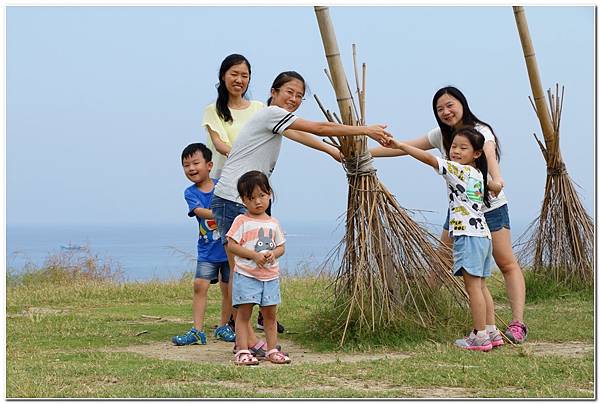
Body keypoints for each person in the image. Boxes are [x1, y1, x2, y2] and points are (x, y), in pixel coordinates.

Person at [210, 70, 391, 358]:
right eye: (288, 92)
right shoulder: (270, 113)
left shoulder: (276, 120)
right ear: (274, 91)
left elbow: (299, 134)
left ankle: (248, 338)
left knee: (246, 268)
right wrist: (365, 130)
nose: (293, 99)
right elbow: (317, 127)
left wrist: (329, 152)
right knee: (242, 270)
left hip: (244, 197)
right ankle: (243, 341)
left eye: (299, 96)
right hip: (236, 197)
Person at [371, 86, 528, 344]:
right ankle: (424, 312)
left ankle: (516, 324)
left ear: (462, 104)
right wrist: (363, 154)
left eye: (450, 105)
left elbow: (488, 156)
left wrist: (497, 179)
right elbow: (404, 148)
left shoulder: (480, 132)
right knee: (442, 263)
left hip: (490, 207)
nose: (445, 111)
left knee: (505, 263)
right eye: (439, 108)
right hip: (460, 211)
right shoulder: (441, 136)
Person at [385, 127, 503, 351]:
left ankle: (478, 336)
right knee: (481, 286)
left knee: (473, 288)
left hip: (468, 236)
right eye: (454, 146)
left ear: (476, 153)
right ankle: (491, 331)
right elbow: (494, 186)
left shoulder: (456, 169)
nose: (456, 151)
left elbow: (429, 158)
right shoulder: (478, 173)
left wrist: (400, 145)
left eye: (463, 147)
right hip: (482, 236)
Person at [201, 53, 285, 337]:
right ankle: (238, 325)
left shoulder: (261, 107)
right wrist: (245, 154)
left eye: (245, 75)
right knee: (234, 261)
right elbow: (220, 144)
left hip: (256, 190)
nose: (239, 80)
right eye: (234, 74)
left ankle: (262, 316)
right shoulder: (214, 110)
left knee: (264, 249)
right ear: (223, 76)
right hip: (228, 185)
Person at [226, 171, 289, 365]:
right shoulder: (241, 221)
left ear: (269, 194)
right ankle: (243, 350)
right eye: (251, 198)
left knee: (270, 315)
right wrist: (253, 255)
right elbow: (231, 244)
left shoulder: (273, 223)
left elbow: (281, 247)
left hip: (270, 277)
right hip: (247, 276)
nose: (258, 202)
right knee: (244, 314)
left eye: (261, 195)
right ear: (244, 200)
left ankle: (272, 350)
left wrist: (273, 254)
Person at [171, 143, 231, 346]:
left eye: (196, 163)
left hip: (229, 248)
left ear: (209, 165)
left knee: (229, 288)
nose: (191, 168)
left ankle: (224, 327)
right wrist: (222, 214)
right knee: (199, 286)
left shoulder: (223, 185)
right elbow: (199, 212)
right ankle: (197, 331)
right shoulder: (191, 192)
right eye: (186, 165)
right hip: (207, 250)